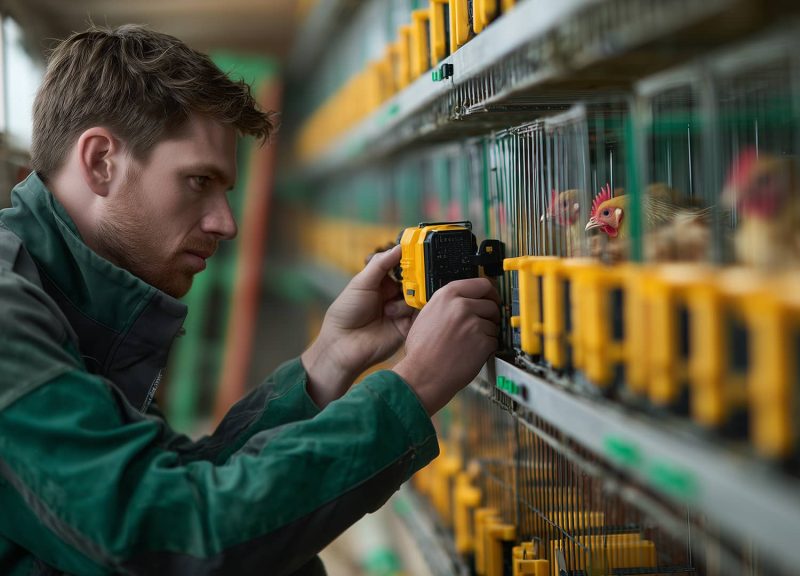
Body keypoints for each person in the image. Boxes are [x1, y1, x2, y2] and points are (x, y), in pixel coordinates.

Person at [0, 24, 500, 575]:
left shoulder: (74, 300)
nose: (227, 223)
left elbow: (172, 477)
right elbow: (164, 536)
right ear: (100, 162)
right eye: (197, 181)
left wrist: (327, 361)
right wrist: (414, 386)